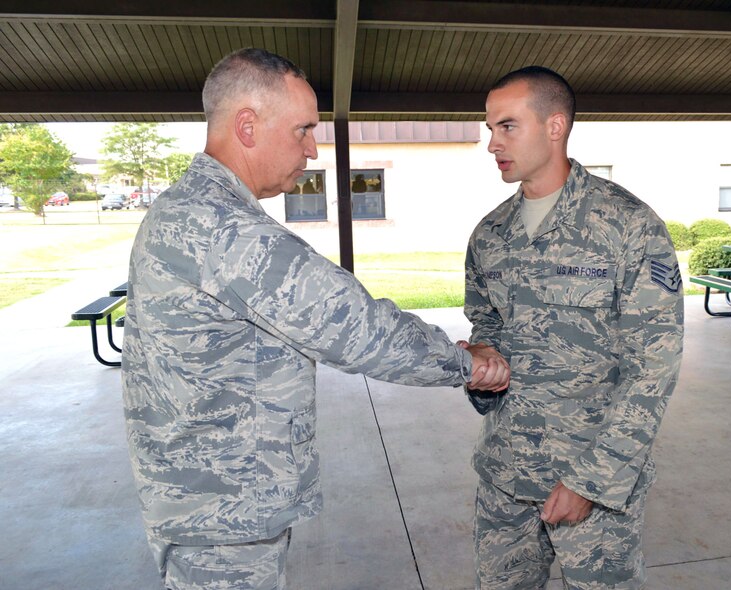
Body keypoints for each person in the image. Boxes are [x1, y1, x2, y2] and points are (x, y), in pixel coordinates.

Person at [121, 47, 510, 590]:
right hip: (221, 513)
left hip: (209, 499)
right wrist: (467, 363)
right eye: (302, 129)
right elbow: (353, 325)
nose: (311, 147)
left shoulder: (193, 207)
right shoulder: (221, 226)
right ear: (248, 126)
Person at [463, 66, 684, 589]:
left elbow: (654, 366)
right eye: (490, 128)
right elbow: (484, 320)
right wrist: (481, 358)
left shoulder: (628, 225)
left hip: (591, 477)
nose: (492, 143)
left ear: (555, 126)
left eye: (507, 126)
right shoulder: (489, 233)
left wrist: (592, 480)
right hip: (505, 473)